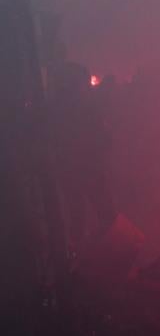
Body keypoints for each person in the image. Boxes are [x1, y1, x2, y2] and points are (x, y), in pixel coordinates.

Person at [50, 62, 117, 247]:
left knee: (77, 215)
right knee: (104, 214)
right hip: (88, 168)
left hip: (72, 169)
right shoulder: (84, 109)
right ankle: (111, 252)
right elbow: (103, 138)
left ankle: (82, 251)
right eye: (83, 83)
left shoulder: (55, 109)